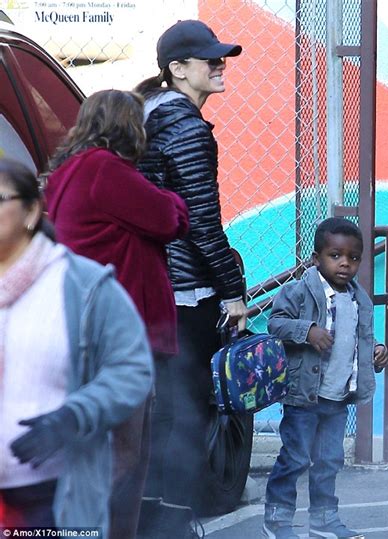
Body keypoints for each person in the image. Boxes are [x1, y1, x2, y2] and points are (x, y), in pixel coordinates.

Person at [44, 89, 189, 539]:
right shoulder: (106, 170)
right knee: (122, 455)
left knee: (106, 450)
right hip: (120, 335)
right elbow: (170, 217)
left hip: (87, 330)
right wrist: (173, 197)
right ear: (128, 126)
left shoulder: (69, 171)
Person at [134, 19, 247, 538]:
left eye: (220, 57)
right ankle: (174, 522)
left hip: (151, 289)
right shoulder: (186, 128)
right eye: (209, 59)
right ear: (178, 70)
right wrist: (232, 290)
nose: (219, 65)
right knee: (187, 412)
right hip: (186, 293)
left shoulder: (150, 116)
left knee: (157, 412)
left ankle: (150, 515)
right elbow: (202, 222)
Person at [0, 158, 153, 538]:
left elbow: (132, 369)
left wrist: (74, 416)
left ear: (32, 210)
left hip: (52, 499)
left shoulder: (83, 287)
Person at [263, 217, 388, 539]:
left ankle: (323, 521)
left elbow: (357, 338)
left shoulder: (358, 298)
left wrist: (376, 350)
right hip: (303, 397)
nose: (345, 264)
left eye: (354, 257)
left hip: (336, 398)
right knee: (295, 458)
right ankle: (276, 520)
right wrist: (307, 331)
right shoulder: (300, 292)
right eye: (335, 256)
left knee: (329, 460)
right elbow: (275, 323)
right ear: (316, 258)